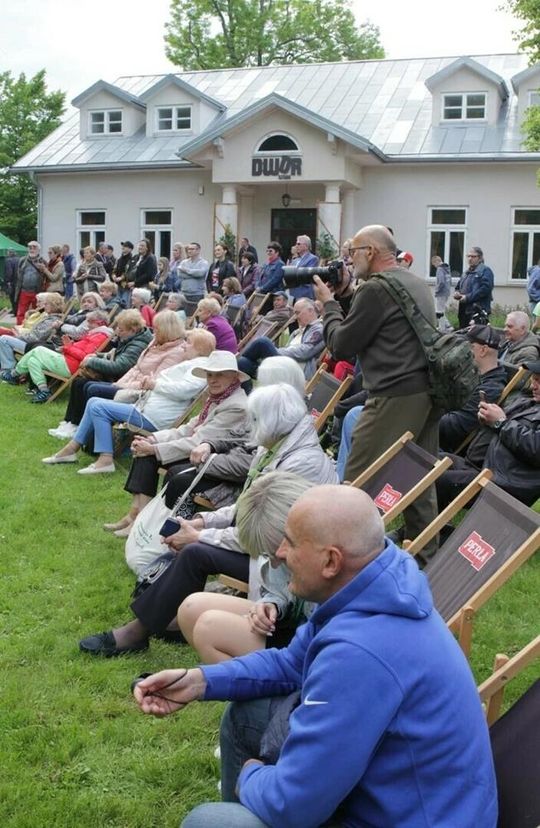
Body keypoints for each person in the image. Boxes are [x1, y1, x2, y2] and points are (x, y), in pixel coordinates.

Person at [135, 484, 497, 828]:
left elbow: (294, 804)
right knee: (248, 715)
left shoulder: (360, 653)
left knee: (209, 823)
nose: (278, 553)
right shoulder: (369, 589)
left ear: (330, 561)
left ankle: (241, 809)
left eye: (290, 544)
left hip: (407, 818)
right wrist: (200, 681)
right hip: (395, 796)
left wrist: (251, 777)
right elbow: (291, 663)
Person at [80, 383, 337, 655]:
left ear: (272, 421)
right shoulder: (275, 447)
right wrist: (203, 521)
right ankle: (170, 620)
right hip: (270, 558)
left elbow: (267, 536)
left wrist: (200, 536)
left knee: (195, 552)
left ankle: (140, 632)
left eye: (255, 420)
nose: (250, 427)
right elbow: (247, 508)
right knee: (194, 544)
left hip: (274, 560)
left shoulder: (299, 463)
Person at [315, 224, 440, 543]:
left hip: (392, 394)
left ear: (370, 251)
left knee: (357, 482)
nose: (349, 260)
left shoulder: (375, 289)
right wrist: (344, 296)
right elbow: (375, 325)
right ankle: (425, 554)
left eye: (352, 253)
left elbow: (342, 344)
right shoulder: (415, 281)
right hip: (425, 392)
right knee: (418, 479)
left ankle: (343, 555)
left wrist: (328, 304)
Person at [106, 350, 248, 535]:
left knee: (152, 456)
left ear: (234, 377)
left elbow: (198, 441)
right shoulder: (219, 397)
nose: (213, 379)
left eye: (220, 374)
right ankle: (135, 515)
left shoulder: (235, 405)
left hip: (212, 461)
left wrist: (154, 448)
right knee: (145, 453)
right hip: (199, 452)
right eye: (210, 374)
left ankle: (144, 522)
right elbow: (188, 428)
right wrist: (153, 439)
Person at [178, 472, 315, 663]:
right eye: (267, 555)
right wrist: (270, 605)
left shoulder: (328, 557)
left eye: (276, 555)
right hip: (289, 623)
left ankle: (255, 685)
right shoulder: (282, 533)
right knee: (191, 608)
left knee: (209, 628)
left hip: (307, 646)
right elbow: (277, 590)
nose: (274, 563)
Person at [42, 329, 213, 473]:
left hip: (155, 417)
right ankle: (72, 450)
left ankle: (104, 459)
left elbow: (183, 391)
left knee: (98, 406)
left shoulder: (199, 368)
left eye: (188, 343)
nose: (183, 345)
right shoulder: (193, 364)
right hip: (148, 410)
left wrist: (155, 384)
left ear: (199, 348)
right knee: (94, 401)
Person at [437, 358, 540, 510]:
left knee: (439, 480)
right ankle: (436, 527)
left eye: (538, 381)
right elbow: (501, 427)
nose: (533, 385)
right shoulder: (526, 402)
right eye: (533, 379)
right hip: (482, 467)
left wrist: (500, 423)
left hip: (504, 485)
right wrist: (487, 419)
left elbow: (536, 449)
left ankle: (421, 531)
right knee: (430, 462)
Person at [47, 309, 153, 438]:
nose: (118, 332)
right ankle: (70, 421)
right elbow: (115, 355)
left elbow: (119, 367)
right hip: (120, 378)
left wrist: (91, 361)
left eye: (122, 330)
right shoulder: (132, 338)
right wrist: (97, 355)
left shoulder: (137, 345)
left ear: (134, 329)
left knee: (89, 386)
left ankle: (79, 425)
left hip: (122, 382)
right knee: (78, 381)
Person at [4, 310, 111, 403]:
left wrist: (68, 347)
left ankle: (14, 374)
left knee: (38, 350)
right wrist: (69, 345)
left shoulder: (100, 336)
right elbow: (81, 350)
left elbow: (85, 356)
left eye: (89, 321)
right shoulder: (94, 334)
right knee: (33, 360)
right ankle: (44, 391)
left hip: (71, 366)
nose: (86, 324)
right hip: (68, 361)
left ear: (99, 323)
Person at [439, 324, 507, 452]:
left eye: (467, 347)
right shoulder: (471, 375)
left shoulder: (491, 388)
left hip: (447, 449)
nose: (461, 351)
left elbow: (455, 425)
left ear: (483, 350)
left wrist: (428, 412)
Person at [238, 298, 323, 384]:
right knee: (242, 363)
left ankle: (231, 366)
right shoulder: (299, 331)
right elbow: (289, 349)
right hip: (283, 367)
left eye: (298, 313)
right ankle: (243, 390)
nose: (296, 317)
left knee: (262, 342)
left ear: (311, 310)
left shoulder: (319, 330)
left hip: (295, 374)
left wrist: (277, 351)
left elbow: (305, 352)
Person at [0, 292, 64, 372]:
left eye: (47, 304)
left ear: (53, 305)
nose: (44, 306)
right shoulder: (49, 317)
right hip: (33, 343)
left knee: (3, 339)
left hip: (34, 346)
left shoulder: (51, 320)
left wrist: (19, 336)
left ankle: (9, 370)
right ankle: (9, 368)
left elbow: (36, 337)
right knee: (4, 338)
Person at [454, 246, 494, 328]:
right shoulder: (466, 273)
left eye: (473, 256)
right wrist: (457, 293)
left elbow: (485, 289)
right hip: (464, 310)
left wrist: (467, 297)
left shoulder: (485, 271)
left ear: (480, 258)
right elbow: (458, 286)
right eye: (468, 256)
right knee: (464, 335)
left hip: (478, 310)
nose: (470, 258)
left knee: (476, 335)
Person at [14, 241, 47, 323]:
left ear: (38, 250)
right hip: (24, 290)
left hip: (37, 292)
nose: (32, 249)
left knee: (39, 312)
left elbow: (47, 276)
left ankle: (35, 327)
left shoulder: (43, 261)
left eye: (34, 247)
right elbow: (18, 275)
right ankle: (19, 328)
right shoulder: (22, 260)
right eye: (30, 247)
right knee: (21, 312)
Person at [288, 235, 319, 303]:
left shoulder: (312, 259)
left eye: (298, 244)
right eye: (296, 244)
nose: (296, 246)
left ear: (306, 246)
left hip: (305, 294)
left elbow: (307, 276)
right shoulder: (295, 260)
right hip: (293, 294)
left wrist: (293, 276)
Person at [178, 243, 209, 310]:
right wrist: (194, 274)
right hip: (184, 293)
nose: (189, 251)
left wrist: (186, 270)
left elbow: (201, 273)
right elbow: (180, 274)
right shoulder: (184, 262)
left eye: (192, 249)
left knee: (196, 315)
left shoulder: (203, 263)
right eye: (189, 249)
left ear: (198, 250)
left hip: (197, 294)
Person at [431, 254, 452, 331]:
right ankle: (447, 325)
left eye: (434, 264)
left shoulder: (440, 269)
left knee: (439, 311)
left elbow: (441, 282)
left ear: (436, 261)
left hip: (441, 292)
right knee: (441, 309)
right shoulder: (447, 268)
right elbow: (450, 280)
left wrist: (436, 290)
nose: (434, 266)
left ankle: (442, 328)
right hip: (446, 292)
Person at [112, 241, 134, 307]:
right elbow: (114, 269)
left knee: (125, 304)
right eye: (123, 246)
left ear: (130, 249)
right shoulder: (119, 259)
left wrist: (121, 278)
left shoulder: (132, 260)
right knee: (117, 304)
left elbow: (130, 272)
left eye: (125, 246)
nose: (123, 247)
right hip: (118, 285)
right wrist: (113, 275)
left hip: (126, 285)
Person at [4, 249, 19, 314]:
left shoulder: (8, 260)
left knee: (12, 297)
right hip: (19, 281)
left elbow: (9, 272)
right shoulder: (19, 259)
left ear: (9, 253)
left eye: (7, 253)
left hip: (12, 282)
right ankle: (17, 310)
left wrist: (8, 281)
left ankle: (14, 311)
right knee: (18, 297)